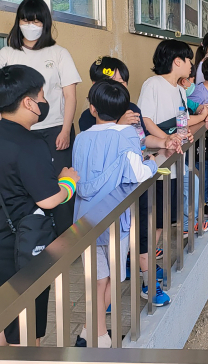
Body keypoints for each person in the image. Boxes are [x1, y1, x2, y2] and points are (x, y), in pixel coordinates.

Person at [78, 56, 182, 307]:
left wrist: (164, 143)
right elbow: (127, 159)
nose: (118, 87)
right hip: (115, 201)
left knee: (141, 238)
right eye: (112, 82)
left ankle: (142, 287)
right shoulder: (87, 121)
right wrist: (122, 128)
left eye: (122, 82)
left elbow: (142, 140)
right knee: (109, 265)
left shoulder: (132, 109)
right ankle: (106, 309)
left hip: (123, 197)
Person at [73, 80, 157, 348]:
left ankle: (91, 333)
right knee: (113, 277)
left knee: (97, 281)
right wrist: (152, 164)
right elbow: (137, 174)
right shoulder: (126, 134)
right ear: (123, 109)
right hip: (113, 218)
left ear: (92, 108)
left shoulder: (81, 136)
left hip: (85, 220)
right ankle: (101, 338)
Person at [0, 65, 80, 346]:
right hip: (20, 248)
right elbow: (48, 198)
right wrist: (68, 182)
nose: (45, 104)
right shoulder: (28, 143)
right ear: (27, 102)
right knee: (24, 330)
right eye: (43, 96)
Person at [0, 0, 82, 235]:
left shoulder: (58, 53)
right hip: (16, 133)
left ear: (45, 23)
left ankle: (64, 242)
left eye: (37, 21)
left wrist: (66, 130)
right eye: (26, 19)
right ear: (18, 22)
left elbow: (70, 95)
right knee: (21, 190)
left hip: (55, 130)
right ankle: (29, 240)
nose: (31, 25)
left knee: (58, 184)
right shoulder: (6, 53)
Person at [137, 40, 208, 243]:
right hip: (158, 157)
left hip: (175, 156)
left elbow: (181, 120)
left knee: (170, 207)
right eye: (189, 60)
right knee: (157, 215)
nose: (191, 65)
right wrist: (166, 140)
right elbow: (145, 119)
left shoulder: (180, 90)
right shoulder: (153, 84)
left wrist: (185, 133)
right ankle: (143, 258)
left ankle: (188, 226)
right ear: (177, 61)